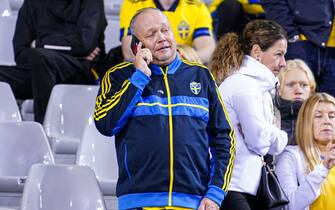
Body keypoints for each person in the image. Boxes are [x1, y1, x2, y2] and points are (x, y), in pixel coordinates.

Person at [94, 8, 235, 210]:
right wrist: (139, 77)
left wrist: (215, 193)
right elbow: (106, 124)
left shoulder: (201, 76)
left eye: (165, 30)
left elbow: (224, 138)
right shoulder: (118, 76)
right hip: (138, 203)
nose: (161, 38)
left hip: (193, 203)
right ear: (137, 44)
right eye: (151, 34)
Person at [210, 19, 288, 210]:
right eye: (278, 54)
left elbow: (266, 142)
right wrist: (278, 134)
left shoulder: (260, 88)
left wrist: (268, 132)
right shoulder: (244, 85)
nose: (283, 63)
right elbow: (260, 144)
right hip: (232, 184)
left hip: (249, 186)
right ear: (256, 52)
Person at [0, 0, 107, 123]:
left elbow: (84, 44)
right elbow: (20, 54)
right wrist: (74, 51)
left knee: (41, 58)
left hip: (79, 71)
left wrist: (39, 44)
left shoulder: (90, 2)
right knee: (39, 60)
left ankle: (44, 127)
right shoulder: (31, 4)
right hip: (37, 70)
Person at [262, 0, 335, 97]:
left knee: (328, 108)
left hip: (330, 48)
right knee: (295, 101)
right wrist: (291, 34)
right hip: (302, 43)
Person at [275, 92, 335, 210]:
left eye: (332, 116)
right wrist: (323, 169)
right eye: (318, 116)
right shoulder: (291, 157)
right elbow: (290, 206)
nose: (327, 121)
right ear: (306, 122)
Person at [119, 0, 216, 64]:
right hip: (147, 70)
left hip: (182, 69)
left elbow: (208, 49)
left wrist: (176, 57)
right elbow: (129, 51)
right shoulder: (133, 4)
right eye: (151, 34)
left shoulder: (197, 7)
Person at [274, 59, 316, 144]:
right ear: (278, 90)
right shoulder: (269, 118)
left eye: (304, 85)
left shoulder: (322, 119)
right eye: (291, 85)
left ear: (311, 90)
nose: (298, 91)